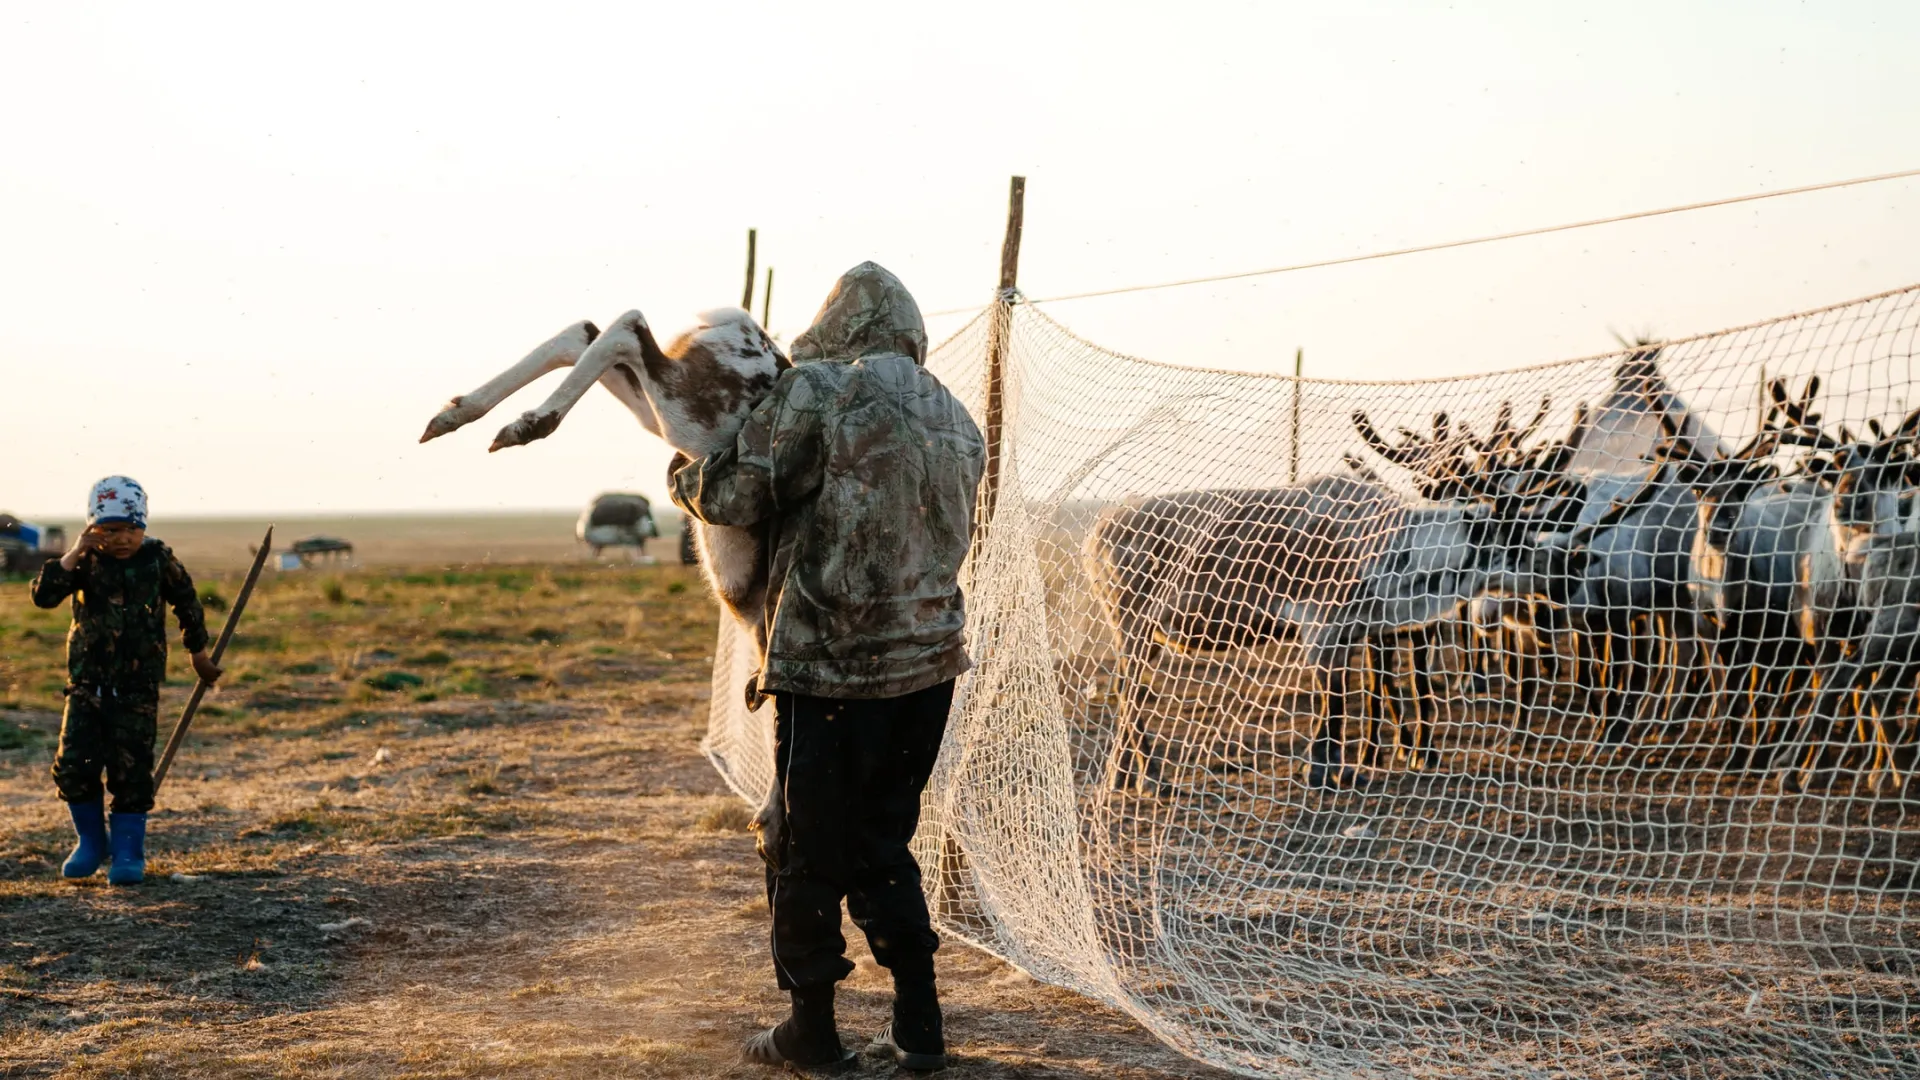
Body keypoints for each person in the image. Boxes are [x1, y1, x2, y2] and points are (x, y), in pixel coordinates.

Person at [671, 262, 985, 1072]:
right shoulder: (956, 416)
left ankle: (811, 1028)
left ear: (837, 329)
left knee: (805, 849)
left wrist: (685, 477)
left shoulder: (821, 392)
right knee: (886, 841)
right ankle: (921, 1026)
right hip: (928, 669)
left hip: (830, 667)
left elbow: (740, 495)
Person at [29, 476, 221, 885]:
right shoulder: (84, 561)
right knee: (73, 768)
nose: (121, 539)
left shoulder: (155, 559)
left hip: (137, 689)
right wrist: (76, 551)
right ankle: (91, 844)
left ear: (144, 527)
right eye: (110, 529)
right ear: (92, 527)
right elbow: (44, 596)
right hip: (86, 686)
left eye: (131, 529)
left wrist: (199, 654)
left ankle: (129, 854)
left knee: (131, 772)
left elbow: (187, 602)